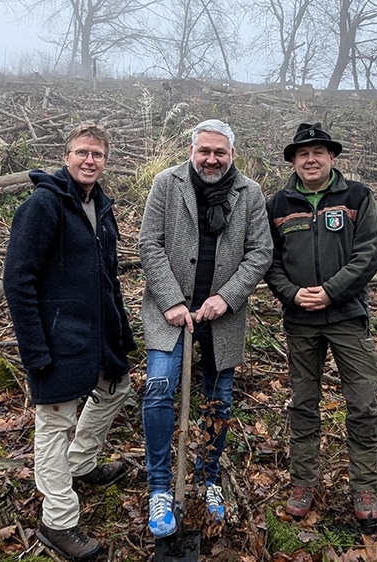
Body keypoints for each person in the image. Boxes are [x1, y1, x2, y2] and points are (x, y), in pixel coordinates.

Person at [4, 122, 136, 561]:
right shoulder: (44, 205)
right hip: (57, 338)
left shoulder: (101, 205)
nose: (89, 161)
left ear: (105, 160)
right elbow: (18, 281)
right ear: (66, 157)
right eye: (82, 153)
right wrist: (35, 350)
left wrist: (121, 331)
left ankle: (80, 463)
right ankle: (57, 520)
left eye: (97, 154)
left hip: (98, 335)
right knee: (54, 421)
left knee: (115, 390)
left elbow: (108, 278)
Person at [139, 119, 272, 538]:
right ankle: (160, 487)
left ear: (232, 153)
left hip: (223, 316)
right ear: (192, 150)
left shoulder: (249, 193)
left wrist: (227, 297)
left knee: (220, 399)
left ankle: (209, 478)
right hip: (168, 312)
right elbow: (149, 244)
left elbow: (260, 252)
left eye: (220, 152)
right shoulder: (167, 183)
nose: (211, 159)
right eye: (204, 151)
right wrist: (173, 300)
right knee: (159, 388)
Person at [264, 122, 377, 523]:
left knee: (363, 404)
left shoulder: (357, 196)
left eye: (318, 152)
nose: (310, 159)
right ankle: (303, 482)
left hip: (347, 316)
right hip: (300, 320)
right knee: (303, 404)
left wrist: (331, 290)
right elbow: (269, 260)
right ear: (294, 161)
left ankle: (365, 489)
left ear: (332, 157)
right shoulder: (277, 204)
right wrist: (292, 294)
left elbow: (368, 253)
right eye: (303, 154)